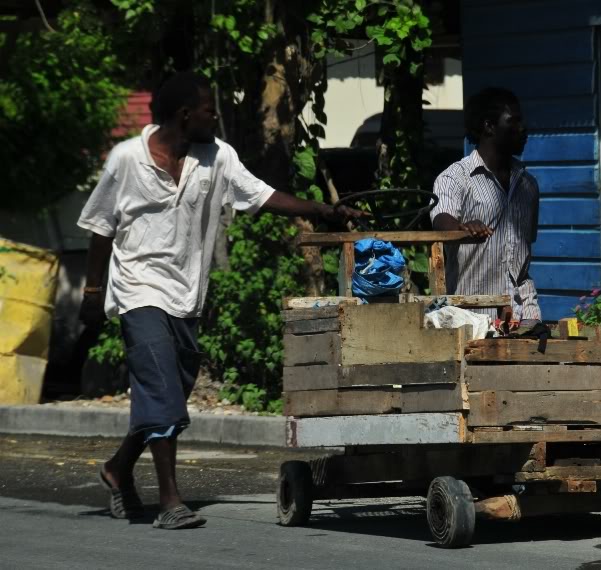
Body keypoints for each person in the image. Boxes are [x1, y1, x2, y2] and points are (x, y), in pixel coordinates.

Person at [77, 72, 363, 529]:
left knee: (166, 396)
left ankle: (117, 469)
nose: (216, 116)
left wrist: (323, 211)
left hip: (187, 295)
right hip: (138, 290)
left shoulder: (218, 158)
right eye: (210, 109)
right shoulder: (127, 159)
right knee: (162, 391)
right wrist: (93, 293)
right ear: (184, 115)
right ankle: (170, 501)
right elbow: (99, 228)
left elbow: (262, 195)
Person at [430, 87, 540, 326]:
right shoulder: (455, 178)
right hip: (472, 319)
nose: (523, 129)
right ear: (489, 126)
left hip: (523, 314)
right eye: (513, 121)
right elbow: (442, 223)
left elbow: (523, 256)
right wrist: (461, 228)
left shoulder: (528, 185)